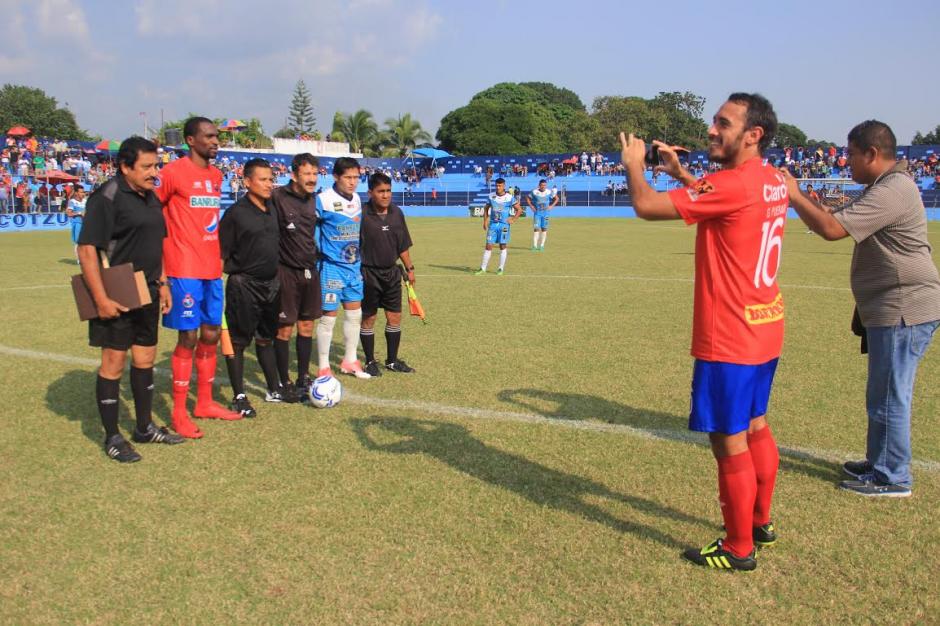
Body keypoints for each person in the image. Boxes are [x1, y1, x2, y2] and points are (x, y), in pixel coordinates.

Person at [621, 93, 785, 571]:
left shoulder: (732, 183)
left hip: (730, 335)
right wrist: (682, 175)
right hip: (765, 324)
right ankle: (760, 523)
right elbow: (727, 202)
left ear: (753, 134)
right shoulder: (772, 179)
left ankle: (738, 548)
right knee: (756, 425)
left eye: (723, 123)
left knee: (728, 439)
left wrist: (635, 166)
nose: (712, 130)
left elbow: (645, 206)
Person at [784, 120, 940, 498]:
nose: (847, 161)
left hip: (903, 308)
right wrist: (807, 199)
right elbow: (833, 216)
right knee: (882, 391)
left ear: (872, 153)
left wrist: (794, 195)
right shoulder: (884, 186)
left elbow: (832, 229)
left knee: (889, 394)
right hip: (893, 307)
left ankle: (892, 476)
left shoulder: (893, 189)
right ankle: (879, 461)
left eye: (851, 154)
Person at [77, 136, 183, 463]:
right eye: (147, 166)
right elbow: (87, 250)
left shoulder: (150, 197)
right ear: (125, 167)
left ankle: (144, 427)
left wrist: (163, 283)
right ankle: (112, 437)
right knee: (114, 363)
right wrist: (101, 299)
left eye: (157, 165)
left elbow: (156, 243)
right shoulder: (106, 197)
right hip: (117, 292)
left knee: (145, 358)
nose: (155, 172)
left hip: (148, 290)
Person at [157, 116, 242, 436]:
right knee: (188, 337)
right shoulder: (172, 173)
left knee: (211, 335)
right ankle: (179, 412)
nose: (215, 141)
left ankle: (204, 402)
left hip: (211, 270)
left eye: (216, 136)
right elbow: (152, 213)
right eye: (208, 136)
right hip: (183, 269)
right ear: (190, 140)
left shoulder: (217, 175)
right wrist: (161, 271)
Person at [220, 158, 298, 418]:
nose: (268, 184)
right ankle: (239, 396)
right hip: (244, 285)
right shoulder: (235, 214)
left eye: (270, 179)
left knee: (266, 337)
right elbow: (221, 254)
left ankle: (274, 388)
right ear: (247, 182)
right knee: (238, 342)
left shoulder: (272, 208)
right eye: (262, 180)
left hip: (271, 284)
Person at [271, 153, 322, 397]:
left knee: (307, 326)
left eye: (315, 173)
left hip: (310, 271)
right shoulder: (277, 197)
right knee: (284, 329)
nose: (312, 178)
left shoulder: (314, 200)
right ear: (294, 175)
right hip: (285, 272)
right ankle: (284, 381)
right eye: (306, 174)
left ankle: (303, 377)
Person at [316, 157, 371, 379]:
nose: (353, 182)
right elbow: (313, 232)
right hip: (331, 267)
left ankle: (350, 361)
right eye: (348, 177)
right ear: (336, 177)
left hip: (353, 267)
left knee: (355, 314)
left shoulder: (357, 198)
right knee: (328, 318)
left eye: (356, 177)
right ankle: (323, 366)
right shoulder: (323, 200)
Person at [359, 171, 417, 377]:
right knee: (369, 318)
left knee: (394, 317)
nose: (385, 195)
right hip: (368, 274)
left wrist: (410, 269)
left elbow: (402, 245)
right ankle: (369, 361)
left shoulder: (396, 213)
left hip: (392, 274)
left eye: (388, 191)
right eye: (381, 191)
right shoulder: (361, 214)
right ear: (370, 193)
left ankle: (392, 361)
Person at [474, 178, 520, 275]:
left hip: (504, 226)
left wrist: (513, 219)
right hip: (493, 225)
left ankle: (500, 268)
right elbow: (486, 208)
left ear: (504, 186)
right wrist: (485, 221)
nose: (498, 187)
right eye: (497, 185)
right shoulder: (491, 196)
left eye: (500, 185)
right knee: (488, 245)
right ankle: (483, 268)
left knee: (502, 245)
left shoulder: (509, 197)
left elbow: (519, 210)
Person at [525, 178, 558, 251]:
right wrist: (531, 206)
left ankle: (542, 246)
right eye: (542, 185)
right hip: (537, 213)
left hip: (546, 214)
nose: (543, 186)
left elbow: (557, 198)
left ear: (546, 185)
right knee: (536, 229)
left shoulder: (549, 192)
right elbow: (527, 198)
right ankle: (534, 246)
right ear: (539, 185)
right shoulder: (534, 191)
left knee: (544, 229)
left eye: (544, 185)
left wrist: (551, 206)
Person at [65, 184, 87, 261]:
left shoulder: (85, 201)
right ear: (76, 193)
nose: (83, 194)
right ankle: (79, 260)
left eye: (83, 192)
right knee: (78, 242)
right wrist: (79, 213)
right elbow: (69, 213)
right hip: (77, 224)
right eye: (81, 192)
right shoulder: (72, 202)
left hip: (86, 224)